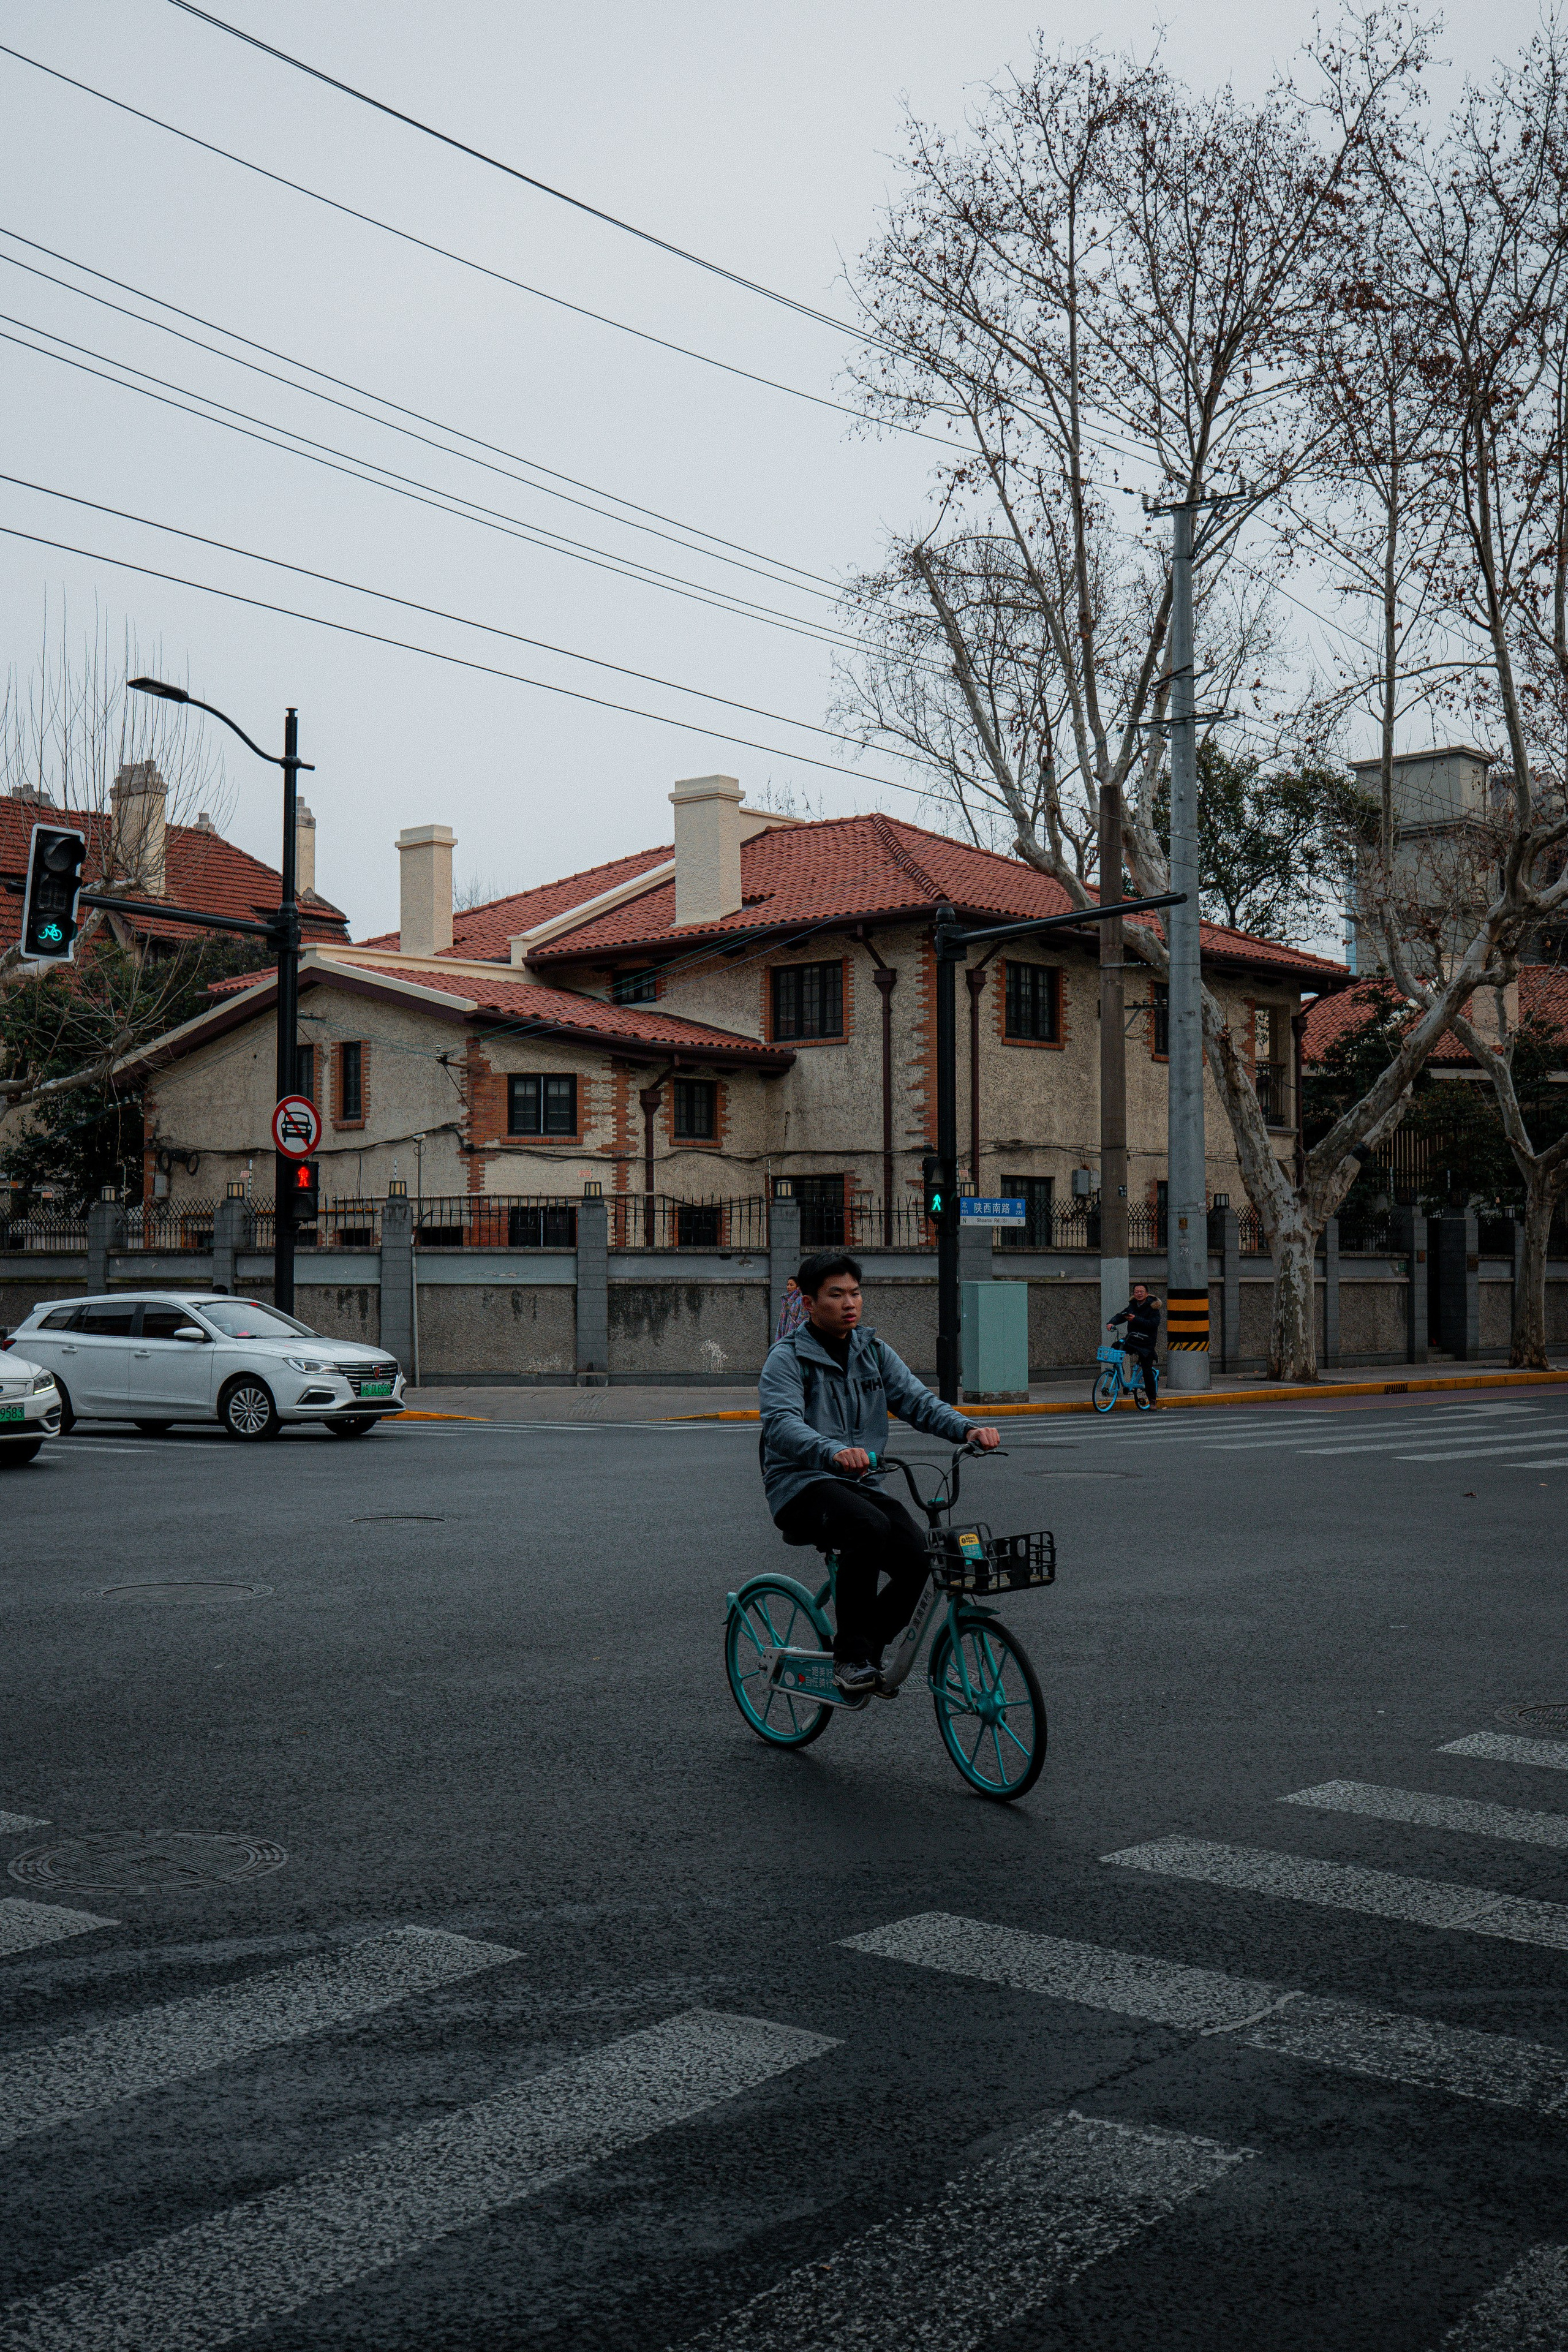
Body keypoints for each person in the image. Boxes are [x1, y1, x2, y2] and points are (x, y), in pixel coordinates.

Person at [758, 1250, 1000, 1697]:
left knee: (922, 1561)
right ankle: (850, 1659)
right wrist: (833, 1452)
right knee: (867, 1526)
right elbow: (781, 1423)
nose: (849, 1303)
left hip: (860, 1484)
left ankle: (868, 1651)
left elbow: (917, 1401)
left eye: (855, 1293)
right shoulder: (787, 1358)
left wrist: (967, 1429)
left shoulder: (872, 1351)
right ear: (809, 1304)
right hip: (801, 1485)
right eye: (836, 1295)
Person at [1107, 1283, 1161, 1402]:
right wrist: (1112, 1323)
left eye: (1141, 1292)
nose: (1139, 1294)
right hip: (1132, 1340)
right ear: (1134, 1294)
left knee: (1147, 1371)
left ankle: (1152, 1400)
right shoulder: (1132, 1306)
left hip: (1146, 1344)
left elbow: (1153, 1324)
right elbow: (1121, 1316)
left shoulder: (1153, 1308)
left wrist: (1136, 1319)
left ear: (1147, 1294)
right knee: (1116, 1346)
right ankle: (1121, 1375)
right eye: (1136, 1292)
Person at [773, 1275, 807, 1342]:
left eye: (791, 1285)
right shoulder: (786, 1300)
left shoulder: (801, 1300)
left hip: (795, 1334)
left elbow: (803, 1317)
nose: (788, 1287)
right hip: (784, 1331)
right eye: (788, 1285)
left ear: (798, 1287)